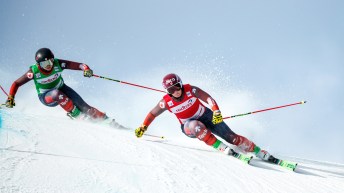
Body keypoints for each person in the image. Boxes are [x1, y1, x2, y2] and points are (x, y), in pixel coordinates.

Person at [135, 73, 274, 161]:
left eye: (177, 86)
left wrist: (216, 111)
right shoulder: (166, 102)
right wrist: (144, 126)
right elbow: (152, 113)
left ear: (181, 84)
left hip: (206, 115)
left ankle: (259, 152)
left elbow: (208, 98)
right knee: (197, 127)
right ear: (167, 91)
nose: (176, 91)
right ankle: (221, 147)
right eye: (171, 90)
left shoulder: (191, 90)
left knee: (233, 138)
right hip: (188, 125)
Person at [5, 48, 112, 123]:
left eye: (50, 62)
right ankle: (77, 115)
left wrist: (86, 69)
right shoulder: (33, 72)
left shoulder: (58, 63)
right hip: (47, 96)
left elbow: (80, 65)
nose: (48, 66)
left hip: (62, 88)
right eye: (44, 64)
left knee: (84, 106)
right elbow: (16, 83)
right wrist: (11, 97)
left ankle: (105, 120)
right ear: (38, 64)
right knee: (57, 94)